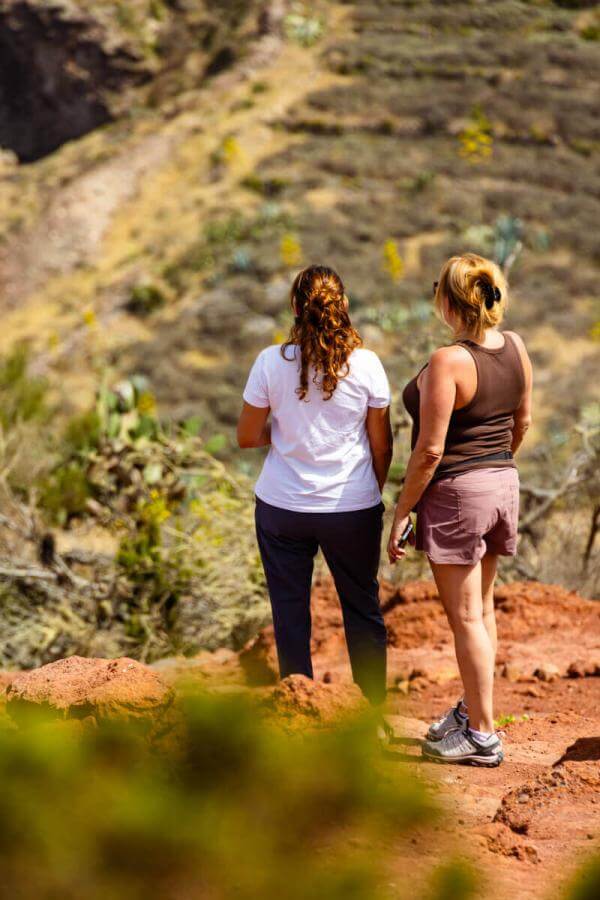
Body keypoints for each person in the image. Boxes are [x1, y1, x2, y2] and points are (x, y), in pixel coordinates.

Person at [387, 253, 533, 767]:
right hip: (502, 485)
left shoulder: (450, 360)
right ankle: (474, 713)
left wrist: (402, 511)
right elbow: (523, 422)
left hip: (458, 492)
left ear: (449, 301)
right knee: (483, 609)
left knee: (466, 615)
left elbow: (429, 450)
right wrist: (494, 471)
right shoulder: (515, 347)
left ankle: (483, 737)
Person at [238, 265, 393, 706]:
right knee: (362, 610)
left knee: (290, 614)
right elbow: (381, 446)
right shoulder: (366, 365)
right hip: (351, 506)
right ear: (343, 306)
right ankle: (371, 720)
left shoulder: (270, 362)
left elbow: (247, 437)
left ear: (294, 307)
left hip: (282, 508)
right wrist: (371, 492)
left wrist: (285, 434)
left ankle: (299, 714)